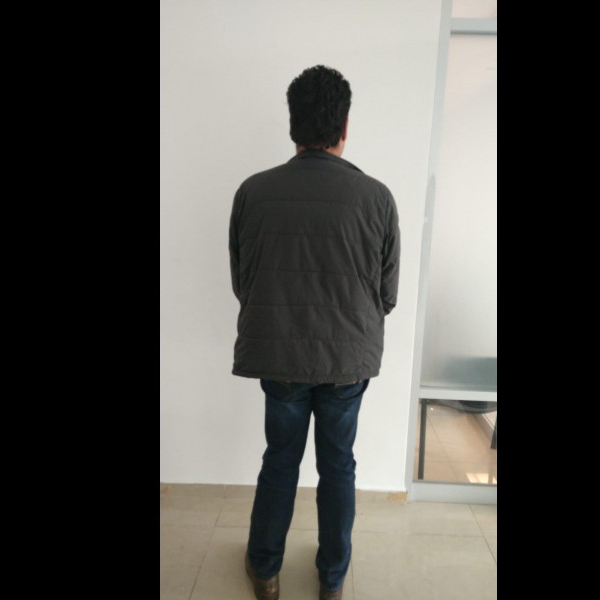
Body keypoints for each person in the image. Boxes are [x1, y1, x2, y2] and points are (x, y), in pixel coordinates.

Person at [229, 64, 400, 600]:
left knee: (279, 460)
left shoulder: (253, 192)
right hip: (347, 362)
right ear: (344, 126)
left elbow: (244, 281)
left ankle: (265, 571)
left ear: (292, 126)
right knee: (338, 466)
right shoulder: (377, 198)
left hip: (279, 357)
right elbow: (387, 294)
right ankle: (332, 579)